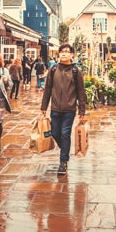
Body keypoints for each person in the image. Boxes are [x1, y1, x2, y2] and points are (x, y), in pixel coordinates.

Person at [41, 43, 87, 176]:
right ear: (59, 54)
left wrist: (82, 110)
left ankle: (63, 162)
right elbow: (48, 89)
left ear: (71, 55)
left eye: (67, 52)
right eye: (62, 52)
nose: (64, 54)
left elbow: (81, 92)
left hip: (69, 109)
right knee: (55, 133)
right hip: (55, 108)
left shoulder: (75, 71)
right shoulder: (53, 69)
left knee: (65, 133)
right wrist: (44, 106)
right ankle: (65, 150)